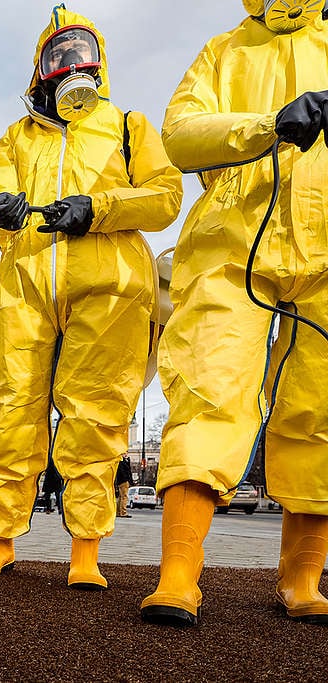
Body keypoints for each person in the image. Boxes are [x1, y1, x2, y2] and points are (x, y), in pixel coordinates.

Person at [0, 5, 183, 591]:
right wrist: (3, 212)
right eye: (58, 55)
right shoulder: (17, 136)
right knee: (12, 410)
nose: (71, 65)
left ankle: (85, 551)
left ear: (100, 62)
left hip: (110, 283)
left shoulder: (127, 125)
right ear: (40, 70)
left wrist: (100, 208)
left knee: (95, 414)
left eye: (81, 52)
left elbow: (166, 198)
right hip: (24, 284)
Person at [141, 3, 328, 627]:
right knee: (208, 387)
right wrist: (268, 124)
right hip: (232, 241)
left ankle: (303, 579)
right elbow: (180, 134)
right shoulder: (224, 49)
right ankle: (178, 574)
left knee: (320, 409)